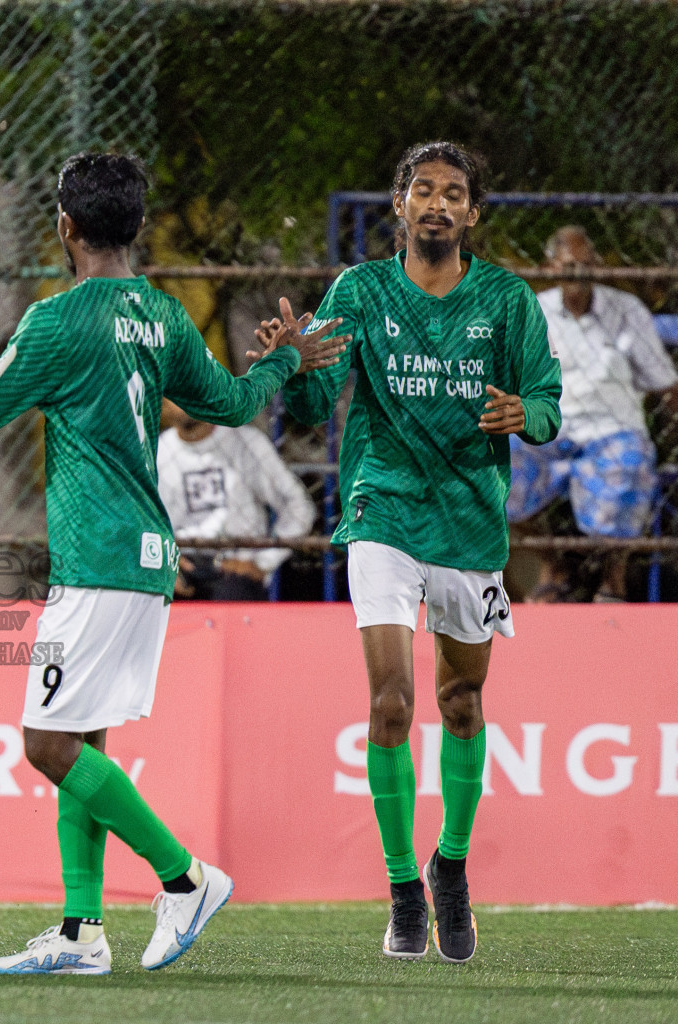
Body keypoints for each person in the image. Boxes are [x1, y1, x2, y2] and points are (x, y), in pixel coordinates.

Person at [0, 152, 345, 975]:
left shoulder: (56, 321)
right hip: (148, 560)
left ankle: (184, 878)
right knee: (85, 738)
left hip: (99, 560)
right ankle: (83, 932)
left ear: (65, 227)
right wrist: (283, 360)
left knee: (46, 745)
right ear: (136, 227)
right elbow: (230, 404)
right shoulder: (159, 314)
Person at [280, 142, 561, 963]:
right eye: (422, 190)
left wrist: (527, 415)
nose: (437, 203)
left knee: (462, 702)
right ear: (398, 206)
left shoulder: (507, 300)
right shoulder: (360, 291)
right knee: (392, 703)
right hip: (383, 511)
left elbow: (546, 397)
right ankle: (404, 887)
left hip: (470, 523)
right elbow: (308, 404)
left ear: (472, 214)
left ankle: (453, 866)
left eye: (453, 193)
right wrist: (297, 364)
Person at [507, 225, 678, 601]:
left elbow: (664, 380)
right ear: (551, 267)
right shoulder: (533, 310)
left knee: (631, 463)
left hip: (612, 429)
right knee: (500, 459)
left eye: (586, 265)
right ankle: (552, 567)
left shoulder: (626, 310)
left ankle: (611, 579)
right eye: (570, 265)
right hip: (549, 426)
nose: (578, 274)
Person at [155, 399, 316, 600]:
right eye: (169, 394)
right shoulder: (157, 452)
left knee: (234, 597)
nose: (177, 399)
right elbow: (146, 521)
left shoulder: (245, 441)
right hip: (180, 563)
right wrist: (162, 563)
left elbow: (298, 505)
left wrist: (263, 562)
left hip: (236, 565)